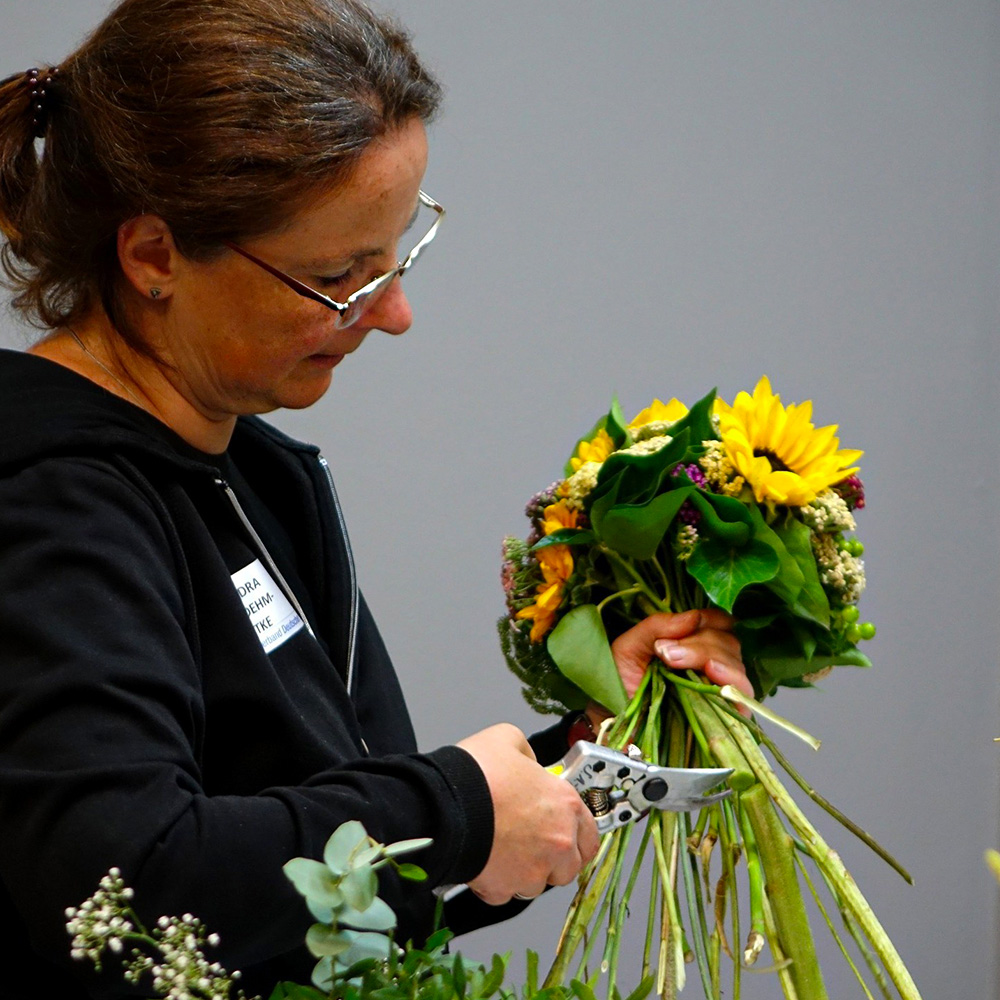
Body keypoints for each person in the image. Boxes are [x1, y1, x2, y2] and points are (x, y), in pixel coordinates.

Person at [0, 1, 751, 996]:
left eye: (397, 253)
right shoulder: (52, 501)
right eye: (337, 275)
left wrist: (581, 756)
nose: (392, 313)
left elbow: (314, 873)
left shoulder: (256, 474)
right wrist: (455, 811)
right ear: (153, 256)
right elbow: (119, 885)